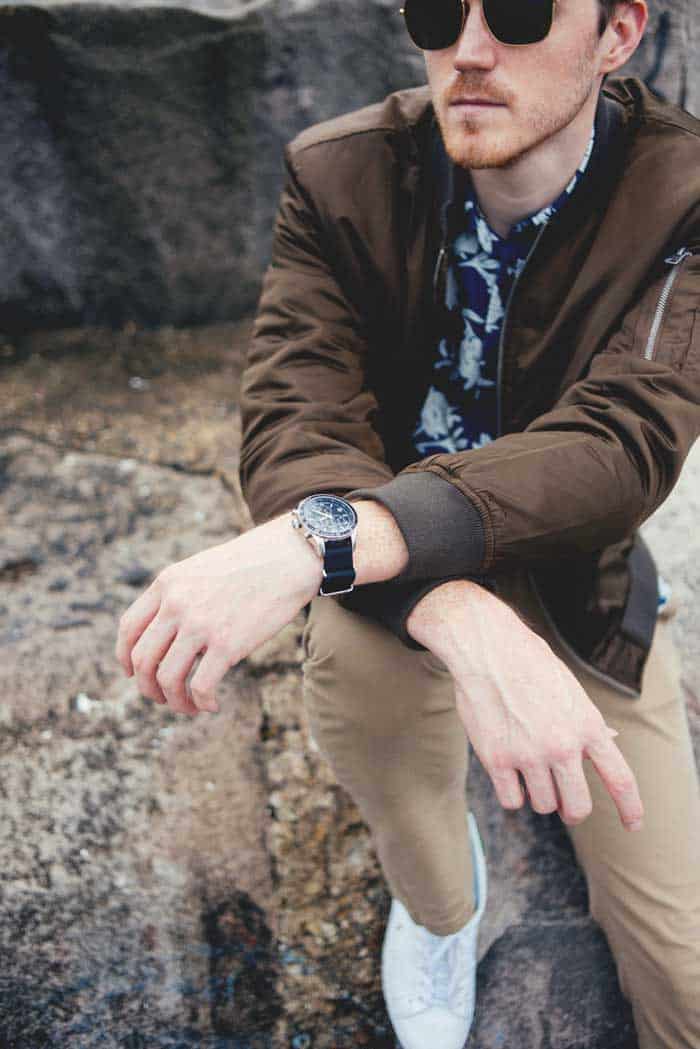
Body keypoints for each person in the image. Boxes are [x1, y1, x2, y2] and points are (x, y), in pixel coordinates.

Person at [115, 0, 700, 1045]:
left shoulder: (682, 191)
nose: (468, 50)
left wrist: (311, 540)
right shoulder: (341, 171)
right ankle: (443, 908)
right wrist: (459, 609)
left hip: (579, 570)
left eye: (520, 11)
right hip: (392, 575)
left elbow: (621, 442)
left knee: (684, 973)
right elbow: (297, 416)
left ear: (617, 34)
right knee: (355, 694)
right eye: (436, 9)